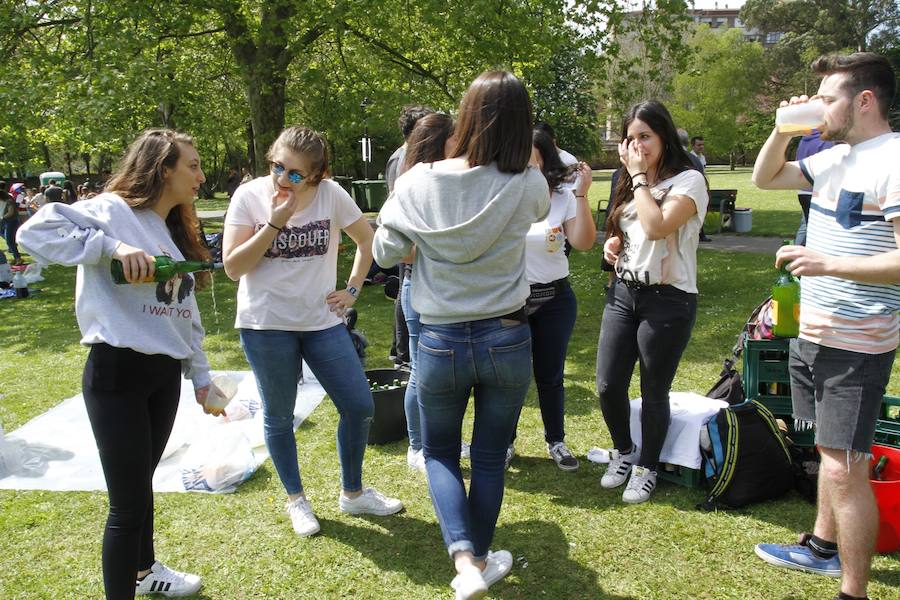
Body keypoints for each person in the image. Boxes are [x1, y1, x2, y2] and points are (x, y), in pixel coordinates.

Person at [16, 129, 220, 599]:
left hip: (163, 376)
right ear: (162, 168)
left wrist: (202, 376)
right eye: (191, 165)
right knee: (126, 508)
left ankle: (145, 572)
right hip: (118, 374)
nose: (200, 176)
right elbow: (34, 232)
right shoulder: (112, 211)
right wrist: (112, 248)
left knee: (141, 486)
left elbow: (182, 311)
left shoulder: (170, 229)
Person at [374, 70, 550, 599]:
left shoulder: (416, 181)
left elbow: (384, 253)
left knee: (441, 452)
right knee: (490, 457)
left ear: (468, 115)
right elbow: (538, 212)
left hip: (439, 339)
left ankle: (465, 561)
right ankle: (476, 559)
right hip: (507, 335)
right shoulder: (528, 184)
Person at [750, 52, 899, 600]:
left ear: (864, 100)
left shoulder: (894, 159)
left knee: (844, 467)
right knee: (829, 456)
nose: (819, 106)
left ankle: (852, 592)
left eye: (828, 97)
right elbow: (765, 178)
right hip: (813, 330)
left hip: (857, 341)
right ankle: (819, 546)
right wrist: (782, 130)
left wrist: (826, 263)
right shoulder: (834, 157)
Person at [222, 125, 403, 538]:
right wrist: (273, 224)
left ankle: (353, 494)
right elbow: (233, 268)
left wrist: (353, 289)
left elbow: (366, 240)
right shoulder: (249, 197)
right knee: (279, 415)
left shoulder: (331, 195)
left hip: (322, 323)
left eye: (295, 174)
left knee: (359, 406)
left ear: (318, 175)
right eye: (276, 167)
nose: (282, 179)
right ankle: (296, 500)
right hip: (266, 325)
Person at [597, 100, 708, 504]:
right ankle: (624, 452)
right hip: (624, 293)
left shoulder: (689, 181)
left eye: (645, 136)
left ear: (663, 137)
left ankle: (648, 467)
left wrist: (640, 178)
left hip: (668, 299)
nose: (636, 145)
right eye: (630, 138)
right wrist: (614, 245)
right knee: (608, 385)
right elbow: (631, 229)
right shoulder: (628, 180)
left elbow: (658, 226)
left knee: (653, 390)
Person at [507, 128, 596, 471]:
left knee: (550, 375)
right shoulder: (504, 193)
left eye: (526, 154)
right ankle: (505, 442)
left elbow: (585, 242)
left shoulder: (563, 197)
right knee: (509, 377)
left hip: (555, 299)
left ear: (543, 158)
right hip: (511, 302)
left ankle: (556, 441)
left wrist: (583, 195)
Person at [392, 112, 456, 473]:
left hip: (445, 290)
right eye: (455, 139)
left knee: (443, 376)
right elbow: (401, 251)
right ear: (438, 144)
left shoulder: (449, 181)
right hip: (418, 285)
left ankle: (436, 441)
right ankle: (417, 446)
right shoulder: (411, 186)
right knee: (421, 371)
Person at [794, 129, 834, 245]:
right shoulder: (826, 142)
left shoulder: (804, 140)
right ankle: (799, 256)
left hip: (802, 190)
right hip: (817, 191)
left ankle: (796, 254)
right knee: (816, 229)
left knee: (805, 224)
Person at [1, 189, 23, 266]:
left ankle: (18, 259)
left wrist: (2, 217)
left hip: (11, 222)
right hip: (6, 222)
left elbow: (11, 212)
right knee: (9, 240)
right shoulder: (4, 201)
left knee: (10, 241)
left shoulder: (9, 201)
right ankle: (16, 258)